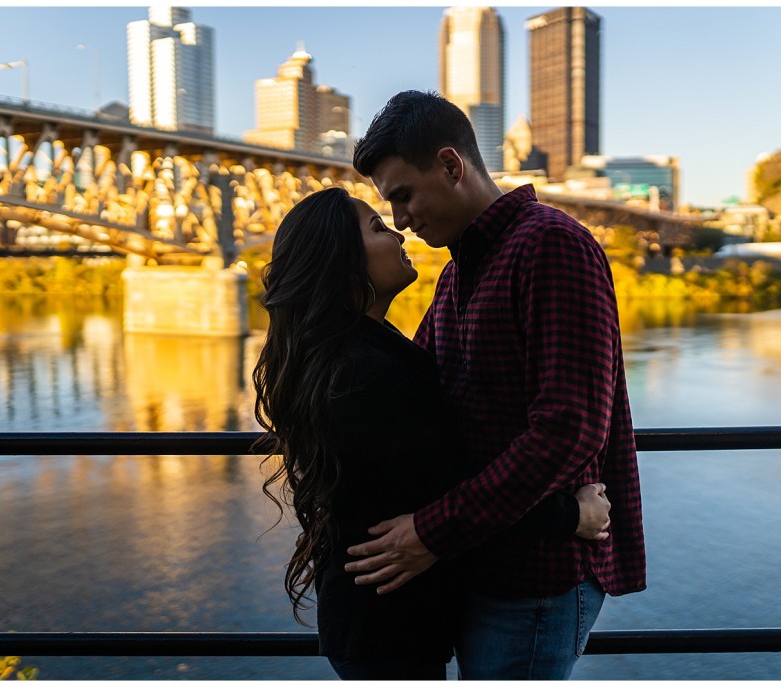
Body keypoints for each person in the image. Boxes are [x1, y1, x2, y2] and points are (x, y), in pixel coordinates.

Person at [251, 186, 614, 680]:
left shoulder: (354, 354)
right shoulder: (362, 373)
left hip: (379, 620)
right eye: (377, 227)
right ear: (341, 262)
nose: (397, 228)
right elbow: (451, 483)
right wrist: (572, 514)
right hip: (388, 627)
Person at [344, 90, 646, 680]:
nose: (401, 219)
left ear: (452, 166)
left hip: (535, 580)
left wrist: (431, 533)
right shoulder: (461, 271)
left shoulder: (551, 246)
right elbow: (425, 403)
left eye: (403, 196)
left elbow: (569, 431)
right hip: (485, 566)